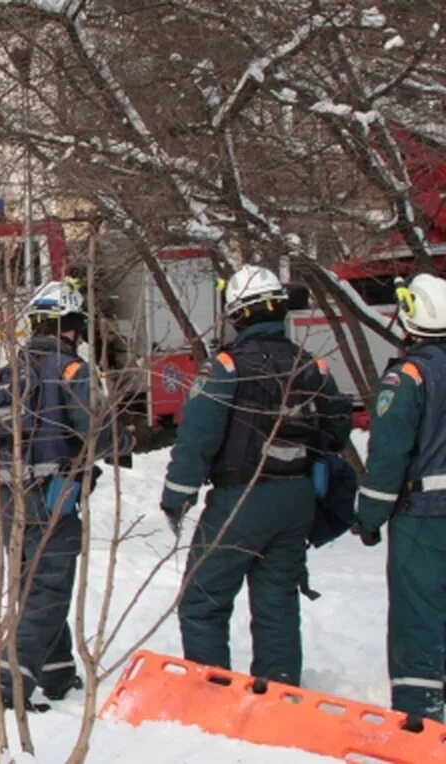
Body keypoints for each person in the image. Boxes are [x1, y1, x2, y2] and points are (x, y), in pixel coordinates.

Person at [159, 264, 352, 685]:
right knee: (278, 597)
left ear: (237, 314)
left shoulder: (225, 367)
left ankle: (213, 691)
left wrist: (177, 496)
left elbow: (198, 438)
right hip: (297, 497)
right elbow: (337, 427)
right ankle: (278, 689)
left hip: (242, 497)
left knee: (203, 598)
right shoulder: (312, 366)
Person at [0, 279, 133, 712]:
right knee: (49, 590)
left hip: (10, 501)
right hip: (55, 498)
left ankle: (57, 673)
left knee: (31, 586)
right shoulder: (73, 372)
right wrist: (124, 438)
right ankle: (8, 680)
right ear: (71, 328)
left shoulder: (5, 376)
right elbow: (102, 435)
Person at [355, 272, 446, 723]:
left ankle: (420, 720)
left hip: (425, 519)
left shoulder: (409, 377)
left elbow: (389, 457)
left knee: (420, 616)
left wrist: (369, 516)